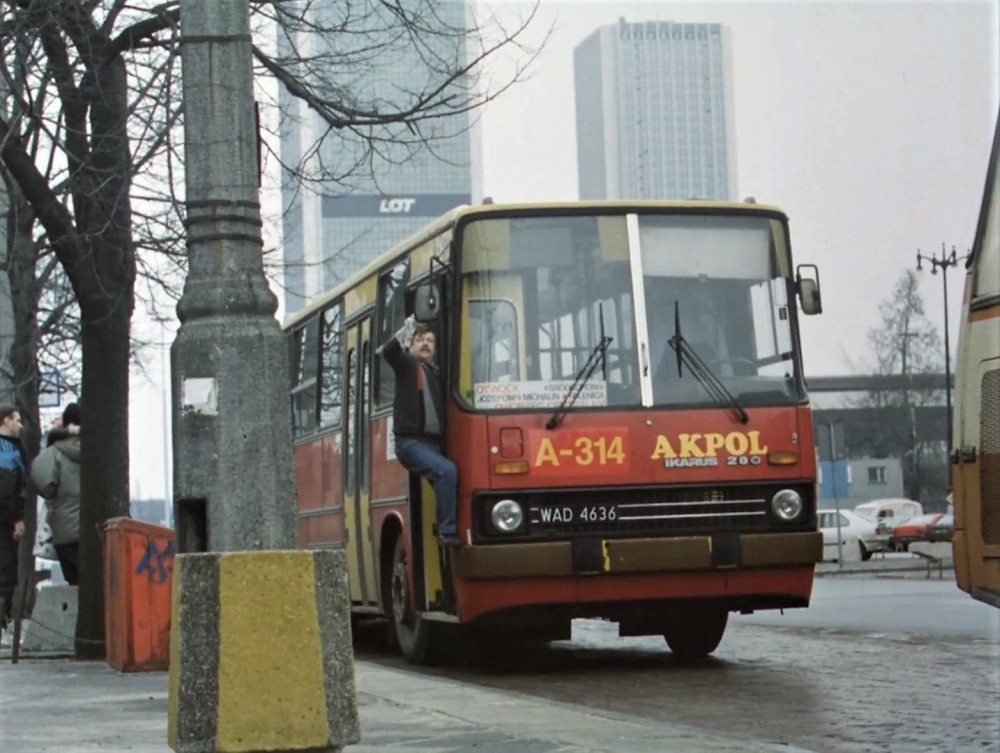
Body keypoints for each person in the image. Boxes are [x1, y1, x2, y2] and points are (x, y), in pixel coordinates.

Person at [381, 315, 458, 547]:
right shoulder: (406, 366)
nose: (425, 344)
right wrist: (410, 325)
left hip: (434, 443)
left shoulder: (438, 373)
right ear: (410, 345)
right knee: (447, 472)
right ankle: (448, 531)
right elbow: (389, 351)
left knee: (453, 480)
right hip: (411, 443)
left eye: (430, 341)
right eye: (419, 340)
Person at [30, 403, 81, 586]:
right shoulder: (99, 450)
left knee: (74, 582)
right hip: (96, 530)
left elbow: (44, 485)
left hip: (64, 530)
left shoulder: (54, 452)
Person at [0, 405, 28, 630]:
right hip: (3, 521)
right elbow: (7, 489)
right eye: (17, 420)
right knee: (6, 572)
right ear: (5, 421)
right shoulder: (6, 450)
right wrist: (16, 519)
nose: (20, 425)